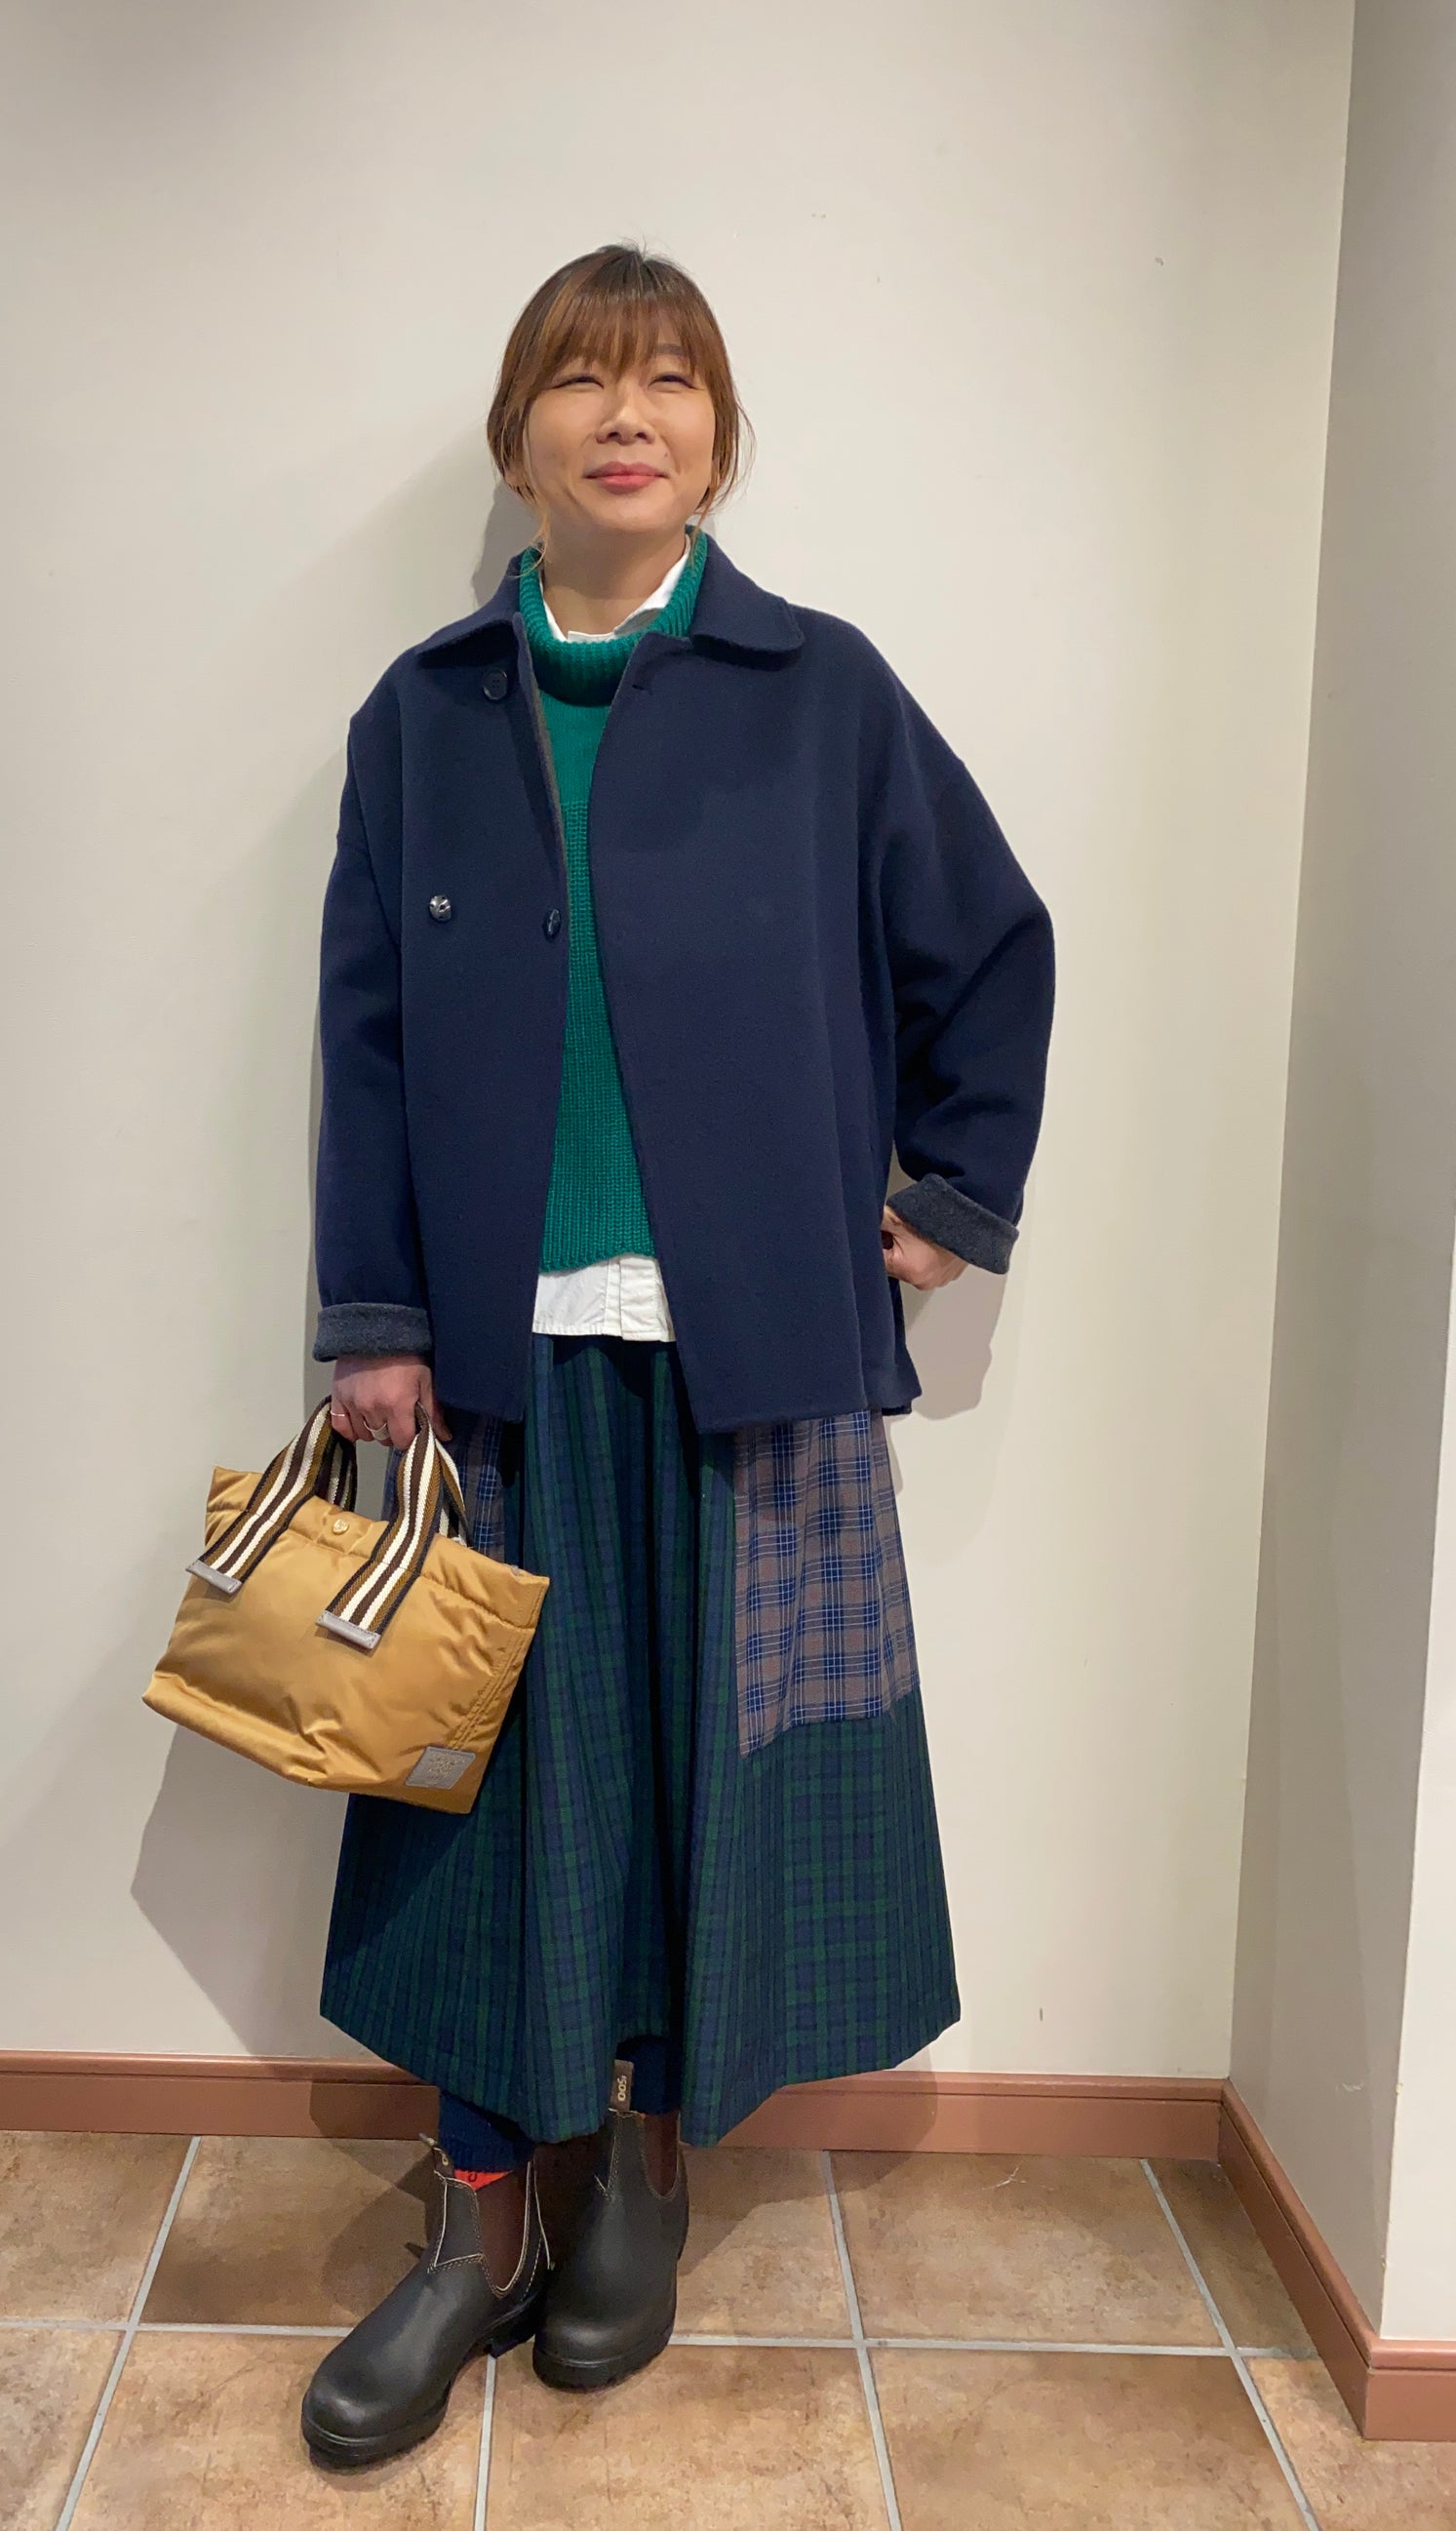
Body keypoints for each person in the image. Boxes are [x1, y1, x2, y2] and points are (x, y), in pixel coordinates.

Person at [299, 244, 1054, 2469]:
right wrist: (373, 1317)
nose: (625, 413)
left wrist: (948, 1201)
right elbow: (363, 1040)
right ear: (516, 436)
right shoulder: (423, 716)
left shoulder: (820, 694)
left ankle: (634, 2176)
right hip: (493, 1369)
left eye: (668, 380)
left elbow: (990, 948)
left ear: (716, 442)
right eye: (582, 378)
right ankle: (472, 2231)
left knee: (697, 1783)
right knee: (476, 1799)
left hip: (751, 1357)